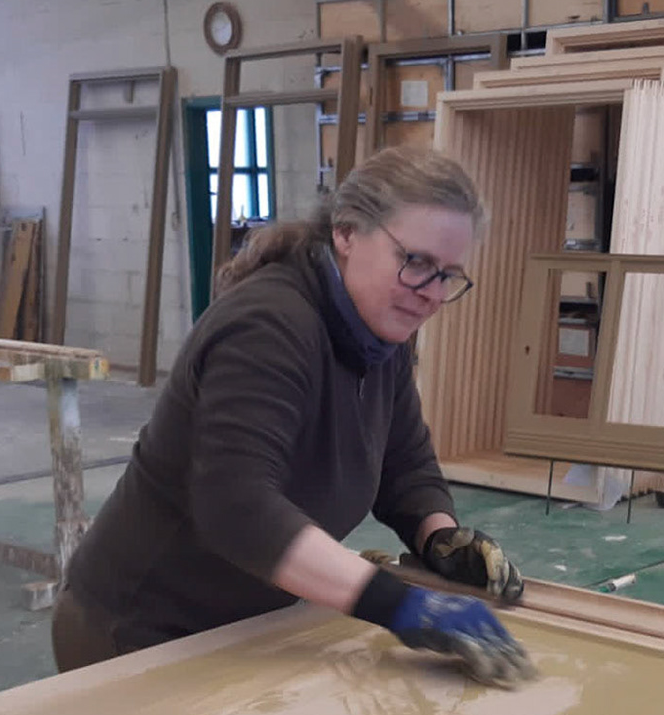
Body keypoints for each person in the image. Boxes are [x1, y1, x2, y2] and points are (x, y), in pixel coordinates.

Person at [52, 147, 535, 687]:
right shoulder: (268, 326)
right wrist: (397, 605)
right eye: (416, 262)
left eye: (448, 275)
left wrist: (440, 539)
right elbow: (237, 508)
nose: (431, 295)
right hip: (140, 631)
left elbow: (403, 464)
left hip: (249, 623)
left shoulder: (382, 331)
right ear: (346, 233)